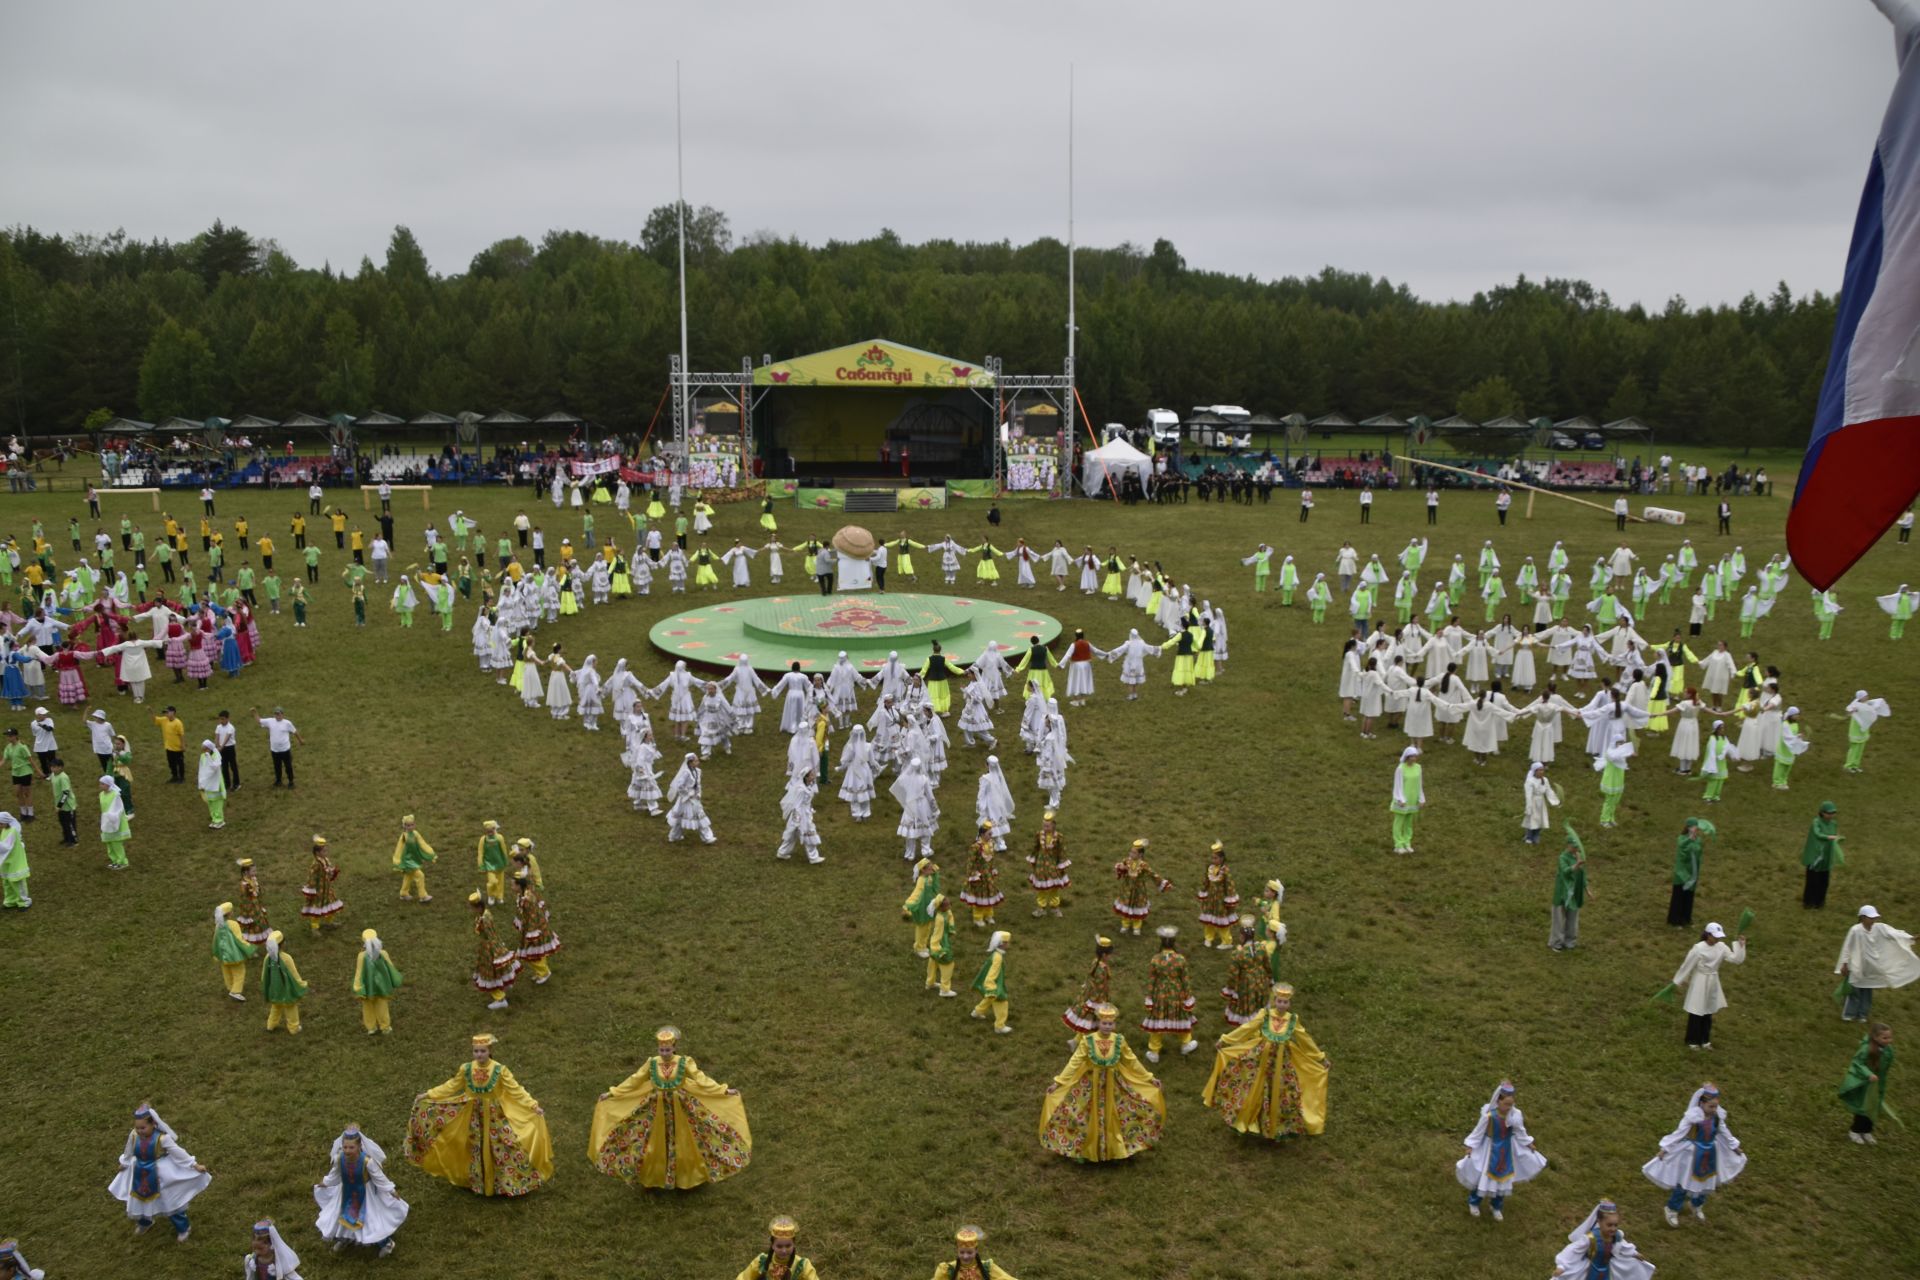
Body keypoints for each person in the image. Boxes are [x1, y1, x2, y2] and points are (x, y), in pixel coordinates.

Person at [588, 1026, 752, 1189]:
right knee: (649, 1138)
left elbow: (701, 1079)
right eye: (661, 1050)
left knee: (687, 1138)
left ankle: (687, 1174)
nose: (664, 1053)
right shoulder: (652, 1063)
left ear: (674, 1048)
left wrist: (724, 1090)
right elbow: (634, 1080)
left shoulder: (684, 1062)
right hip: (655, 1109)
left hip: (681, 1107)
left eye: (667, 1050)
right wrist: (612, 1093)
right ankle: (655, 1172)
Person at [405, 1033, 553, 1196]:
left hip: (495, 1115)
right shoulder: (466, 1069)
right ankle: (477, 1180)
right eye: (476, 1051)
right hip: (472, 1114)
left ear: (489, 1051)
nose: (479, 1055)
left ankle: (506, 1181)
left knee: (502, 1143)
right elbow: (451, 1086)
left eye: (482, 1051)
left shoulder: (499, 1070)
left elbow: (516, 1089)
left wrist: (532, 1105)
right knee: (473, 1145)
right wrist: (429, 1094)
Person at [1037, 1001, 1165, 1163]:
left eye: (1110, 1023)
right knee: (1086, 1114)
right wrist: (1059, 1082)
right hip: (1090, 1085)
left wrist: (1149, 1078)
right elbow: (1074, 1062)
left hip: (1114, 1084)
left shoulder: (1119, 1041)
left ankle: (1115, 1148)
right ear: (1098, 1023)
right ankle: (1083, 1149)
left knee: (1116, 1113)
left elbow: (1132, 1061)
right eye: (1104, 1023)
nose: (1107, 1027)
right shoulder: (1088, 1041)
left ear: (1114, 1024)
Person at [1202, 981, 1330, 1140]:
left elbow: (1305, 1040)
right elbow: (1247, 1028)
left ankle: (1274, 1127)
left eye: (1285, 1002)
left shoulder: (1293, 1020)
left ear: (1289, 1004)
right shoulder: (1265, 1015)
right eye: (1279, 1001)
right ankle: (1246, 1120)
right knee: (1255, 1089)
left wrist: (1320, 1058)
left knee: (1279, 1093)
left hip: (1281, 1066)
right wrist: (1226, 1040)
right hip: (1260, 1061)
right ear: (1274, 1001)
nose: (1282, 1005)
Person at [1642, 1083, 1746, 1226]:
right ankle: (1672, 1209)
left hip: (1709, 1154)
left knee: (1706, 1182)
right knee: (1685, 1183)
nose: (1714, 1109)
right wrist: (1664, 1149)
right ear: (1701, 1103)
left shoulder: (1716, 1117)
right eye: (1711, 1106)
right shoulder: (1693, 1118)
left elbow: (1725, 1132)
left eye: (1716, 1106)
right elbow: (1678, 1134)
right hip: (1692, 1154)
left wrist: (1735, 1147)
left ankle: (1696, 1204)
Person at [109, 1103, 211, 1242]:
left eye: (143, 1127)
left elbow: (178, 1153)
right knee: (140, 1199)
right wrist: (125, 1163)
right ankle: (145, 1222)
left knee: (169, 1201)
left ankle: (183, 1227)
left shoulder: (162, 1139)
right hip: (140, 1173)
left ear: (153, 1125)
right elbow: (129, 1150)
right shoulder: (134, 1135)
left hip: (161, 1173)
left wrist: (194, 1165)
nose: (139, 1131)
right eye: (137, 1127)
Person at [1454, 1081, 1548, 1220]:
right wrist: (1470, 1146)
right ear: (1498, 1101)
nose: (1508, 1107)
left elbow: (1520, 1131)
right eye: (1506, 1104)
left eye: (1511, 1104)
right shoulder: (1489, 1116)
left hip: (1505, 1151)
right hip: (1489, 1149)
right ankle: (1474, 1203)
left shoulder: (1514, 1116)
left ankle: (1496, 1206)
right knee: (1483, 1178)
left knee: (1503, 1179)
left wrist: (1528, 1143)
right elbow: (1477, 1133)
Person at [313, 1124, 407, 1259]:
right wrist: (325, 1183)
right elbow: (335, 1175)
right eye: (345, 1147)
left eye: (351, 1147)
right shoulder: (340, 1159)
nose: (347, 1150)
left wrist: (391, 1190)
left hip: (366, 1195)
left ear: (359, 1146)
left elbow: (379, 1178)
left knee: (370, 1219)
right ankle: (345, 1238)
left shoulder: (367, 1162)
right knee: (341, 1215)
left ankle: (386, 1243)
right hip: (345, 1193)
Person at [1835, 905, 1920, 1023]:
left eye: (1874, 918)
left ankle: (1862, 1015)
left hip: (1871, 967)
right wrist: (1844, 964)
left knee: (1867, 991)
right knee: (1854, 991)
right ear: (1863, 917)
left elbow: (1894, 933)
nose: (1873, 920)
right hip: (1857, 966)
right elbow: (1847, 947)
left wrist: (1911, 938)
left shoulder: (1879, 928)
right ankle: (1849, 1014)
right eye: (1871, 918)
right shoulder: (1855, 930)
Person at [1671, 923, 1747, 1050]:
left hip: (1712, 981)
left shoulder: (1721, 947)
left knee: (1708, 1011)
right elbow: (1687, 965)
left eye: (1719, 936)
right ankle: (1692, 1041)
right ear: (1707, 935)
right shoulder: (1698, 948)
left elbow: (1736, 959)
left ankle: (1705, 1040)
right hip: (1700, 981)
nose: (1717, 939)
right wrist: (1680, 979)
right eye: (1714, 936)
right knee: (1696, 1010)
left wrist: (1740, 945)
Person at [1549, 1200, 1655, 1280]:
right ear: (1599, 1222)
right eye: (1609, 1225)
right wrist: (1562, 1266)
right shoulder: (1590, 1238)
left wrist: (1634, 1253)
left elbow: (1622, 1245)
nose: (1613, 1228)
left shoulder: (1616, 1236)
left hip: (1606, 1269)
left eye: (1615, 1225)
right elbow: (1572, 1250)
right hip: (1591, 1269)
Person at [1141, 925, 1198, 1062]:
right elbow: (1185, 980)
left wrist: (1149, 997)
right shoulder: (1180, 959)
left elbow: (1151, 980)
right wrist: (1188, 997)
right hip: (1176, 994)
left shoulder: (1155, 959)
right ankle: (1185, 1044)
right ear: (1174, 942)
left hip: (1159, 994)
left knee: (1158, 1021)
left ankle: (1154, 1051)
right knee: (1181, 1017)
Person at [1839, 1022, 1896, 1145]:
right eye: (1885, 1038)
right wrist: (1868, 1074)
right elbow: (1857, 1063)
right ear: (1875, 1037)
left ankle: (1867, 1131)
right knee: (1863, 1107)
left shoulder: (1888, 1050)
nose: (1888, 1040)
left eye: (1890, 1037)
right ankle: (1855, 1131)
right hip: (1866, 1083)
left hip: (1878, 1083)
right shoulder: (1867, 1048)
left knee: (1873, 1107)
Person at [468, 891, 520, 1010]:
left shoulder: (484, 920)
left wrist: (493, 950)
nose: (471, 910)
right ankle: (504, 985)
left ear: (479, 907)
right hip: (490, 945)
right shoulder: (485, 913)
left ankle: (500, 998)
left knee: (489, 974)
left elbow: (489, 935)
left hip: (489, 948)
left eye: (472, 907)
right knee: (497, 970)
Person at [1111, 838, 1170, 936]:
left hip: (1139, 890)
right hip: (1127, 888)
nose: (1131, 854)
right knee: (1125, 905)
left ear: (1140, 854)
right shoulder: (1126, 861)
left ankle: (1136, 926)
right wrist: (1120, 868)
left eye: (1134, 853)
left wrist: (1162, 883)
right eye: (1131, 852)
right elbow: (1122, 869)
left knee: (1138, 906)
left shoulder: (1143, 865)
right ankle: (1125, 925)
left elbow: (1152, 874)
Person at [735, 1216, 819, 1280]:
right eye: (779, 1246)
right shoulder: (761, 1261)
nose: (784, 1250)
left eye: (788, 1246)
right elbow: (743, 1277)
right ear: (772, 1245)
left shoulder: (803, 1265)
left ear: (794, 1244)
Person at [929, 1225, 1022, 1279]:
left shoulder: (987, 1267)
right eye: (962, 1252)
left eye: (969, 1253)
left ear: (976, 1251)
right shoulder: (948, 1270)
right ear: (957, 1250)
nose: (965, 1256)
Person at [1550, 824, 1589, 951]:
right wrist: (1576, 865)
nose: (1575, 849)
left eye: (1576, 847)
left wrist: (1586, 888)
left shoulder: (1577, 857)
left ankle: (1570, 941)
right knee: (1559, 919)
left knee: (1573, 918)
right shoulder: (1562, 858)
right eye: (1573, 847)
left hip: (1574, 893)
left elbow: (1582, 874)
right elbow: (1565, 871)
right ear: (1568, 846)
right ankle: (1556, 942)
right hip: (1562, 893)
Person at [1801, 800, 1844, 908]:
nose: (1831, 815)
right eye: (1828, 813)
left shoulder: (1833, 824)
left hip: (1826, 855)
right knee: (1812, 880)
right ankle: (1808, 902)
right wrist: (1828, 837)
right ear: (1822, 812)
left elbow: (1833, 836)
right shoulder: (1816, 822)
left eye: (1833, 813)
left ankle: (1820, 902)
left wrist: (1836, 839)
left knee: (1824, 881)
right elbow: (1817, 833)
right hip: (1815, 856)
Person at [211, 899, 255, 1000]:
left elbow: (215, 940)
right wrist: (248, 947)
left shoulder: (218, 926)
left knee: (226, 971)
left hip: (223, 955)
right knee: (240, 972)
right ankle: (236, 991)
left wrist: (216, 953)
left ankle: (230, 987)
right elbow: (239, 939)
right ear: (230, 913)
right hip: (234, 955)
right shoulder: (233, 924)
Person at [970, 929, 1013, 1033]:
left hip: (996, 982)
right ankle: (999, 1026)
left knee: (990, 998)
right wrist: (991, 987)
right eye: (1007, 942)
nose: (1008, 944)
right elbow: (992, 974)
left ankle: (977, 1012)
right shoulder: (998, 958)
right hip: (995, 984)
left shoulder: (996, 955)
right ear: (1001, 944)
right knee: (1002, 1002)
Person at [251, 704, 303, 788]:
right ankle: (278, 781)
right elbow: (259, 720)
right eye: (276, 714)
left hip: (285, 750)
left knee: (288, 766)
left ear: (282, 714)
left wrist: (300, 740)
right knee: (277, 766)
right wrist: (254, 712)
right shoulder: (270, 721)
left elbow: (295, 731)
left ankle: (291, 782)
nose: (277, 716)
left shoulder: (287, 723)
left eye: (279, 714)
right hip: (275, 750)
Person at [392, 813, 435, 902]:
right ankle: (423, 896)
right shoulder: (404, 836)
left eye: (412, 825)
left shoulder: (415, 834)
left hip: (413, 859)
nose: (410, 827)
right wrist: (397, 861)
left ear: (414, 825)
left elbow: (422, 843)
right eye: (408, 825)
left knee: (409, 876)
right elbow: (399, 848)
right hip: (407, 861)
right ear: (404, 826)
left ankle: (403, 893)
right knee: (420, 876)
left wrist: (430, 852)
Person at [1390, 746, 1424, 854]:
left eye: (1415, 756)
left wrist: (1421, 798)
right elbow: (1397, 785)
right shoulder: (1400, 768)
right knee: (1399, 822)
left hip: (1413, 799)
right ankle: (1398, 844)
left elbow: (1419, 783)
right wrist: (1400, 799)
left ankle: (1407, 842)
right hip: (1403, 799)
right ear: (1407, 757)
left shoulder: (1418, 767)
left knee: (1409, 823)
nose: (1414, 758)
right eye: (1411, 756)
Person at [99, 772, 131, 869]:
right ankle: (114, 860)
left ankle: (122, 861)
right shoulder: (101, 794)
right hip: (106, 821)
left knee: (116, 843)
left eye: (102, 784)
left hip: (115, 822)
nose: (100, 785)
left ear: (108, 784)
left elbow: (118, 809)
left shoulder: (115, 795)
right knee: (109, 843)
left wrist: (111, 817)